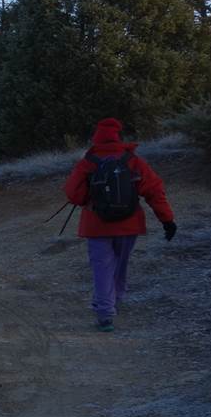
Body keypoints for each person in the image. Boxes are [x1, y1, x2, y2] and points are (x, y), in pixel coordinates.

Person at [63, 118, 176, 332]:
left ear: (96, 137)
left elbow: (72, 194)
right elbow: (154, 191)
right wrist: (167, 220)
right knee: (119, 266)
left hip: (96, 226)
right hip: (128, 224)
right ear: (119, 136)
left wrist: (90, 196)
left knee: (101, 269)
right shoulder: (133, 161)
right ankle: (115, 302)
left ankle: (105, 315)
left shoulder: (88, 162)